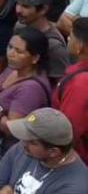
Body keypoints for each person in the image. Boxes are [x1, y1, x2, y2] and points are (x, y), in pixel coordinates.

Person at [0, 27, 53, 175]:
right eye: (10, 47)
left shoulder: (31, 89)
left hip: (6, 158)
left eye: (19, 51)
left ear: (35, 58)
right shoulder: (13, 69)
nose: (11, 54)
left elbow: (12, 128)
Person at [0, 108, 87, 194]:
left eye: (32, 142)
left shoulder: (75, 187)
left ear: (53, 152)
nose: (23, 142)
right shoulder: (24, 148)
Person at [13, 0, 71, 83]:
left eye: (26, 6)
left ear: (43, 9)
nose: (18, 10)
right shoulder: (19, 26)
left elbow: (61, 83)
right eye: (18, 3)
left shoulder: (53, 45)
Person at [54, 17, 88, 162]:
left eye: (71, 36)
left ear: (79, 46)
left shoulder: (80, 84)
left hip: (74, 160)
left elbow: (68, 131)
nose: (68, 38)